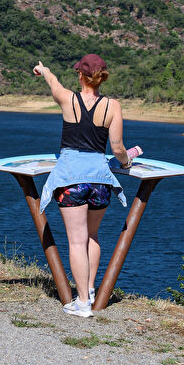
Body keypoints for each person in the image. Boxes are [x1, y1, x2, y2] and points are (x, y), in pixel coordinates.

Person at [33, 53, 142, 317]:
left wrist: (43, 69)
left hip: (72, 180)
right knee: (92, 237)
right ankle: (90, 290)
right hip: (100, 182)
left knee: (76, 241)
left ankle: (82, 303)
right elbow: (117, 148)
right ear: (101, 78)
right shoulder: (112, 106)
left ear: (80, 75)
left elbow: (53, 82)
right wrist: (127, 161)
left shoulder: (68, 99)